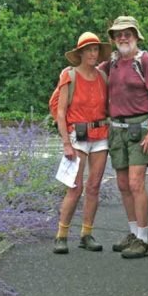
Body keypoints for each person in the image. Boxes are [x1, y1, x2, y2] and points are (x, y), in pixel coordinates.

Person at [101, 16, 148, 259]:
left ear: (136, 36)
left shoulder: (146, 61)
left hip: (140, 129)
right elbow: (91, 77)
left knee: (137, 183)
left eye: (127, 33)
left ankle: (143, 239)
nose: (123, 37)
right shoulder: (113, 63)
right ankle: (132, 233)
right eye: (118, 34)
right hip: (116, 129)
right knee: (123, 185)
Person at [53, 32, 112, 254]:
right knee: (74, 188)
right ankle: (61, 235)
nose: (92, 53)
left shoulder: (103, 77)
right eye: (88, 49)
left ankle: (86, 234)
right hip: (77, 137)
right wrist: (66, 143)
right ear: (80, 53)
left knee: (94, 187)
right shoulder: (70, 76)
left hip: (100, 137)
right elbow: (61, 113)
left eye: (95, 49)